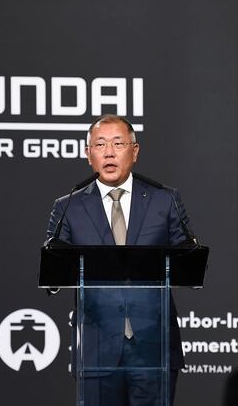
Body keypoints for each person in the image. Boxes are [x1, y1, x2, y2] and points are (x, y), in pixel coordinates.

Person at [46, 114, 192, 406]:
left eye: (118, 143)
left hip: (154, 347)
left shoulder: (165, 200)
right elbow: (53, 270)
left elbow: (187, 258)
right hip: (97, 349)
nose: (109, 153)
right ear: (88, 154)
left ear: (134, 151)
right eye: (100, 145)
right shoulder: (68, 206)